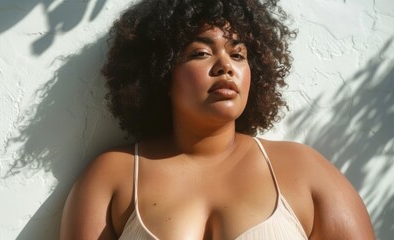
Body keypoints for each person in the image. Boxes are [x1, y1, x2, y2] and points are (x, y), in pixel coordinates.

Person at [60, 0, 375, 239]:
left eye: (238, 55)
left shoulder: (305, 171)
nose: (226, 66)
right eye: (200, 53)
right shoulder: (113, 174)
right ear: (161, 74)